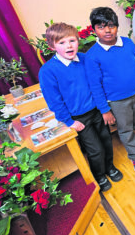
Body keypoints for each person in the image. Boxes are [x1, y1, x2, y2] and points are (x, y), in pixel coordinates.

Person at [39, 22, 120, 191]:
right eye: (61, 43)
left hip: (97, 111)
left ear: (78, 41)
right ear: (52, 46)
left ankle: (109, 167)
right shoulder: (48, 71)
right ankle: (99, 175)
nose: (68, 45)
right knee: (95, 149)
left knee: (106, 141)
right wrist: (68, 121)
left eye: (71, 41)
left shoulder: (84, 59)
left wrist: (105, 108)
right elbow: (54, 100)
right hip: (79, 118)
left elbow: (98, 83)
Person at [85, 7, 135, 174]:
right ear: (94, 29)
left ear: (117, 26)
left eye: (111, 25)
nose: (107, 30)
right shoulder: (92, 56)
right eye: (101, 27)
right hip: (117, 101)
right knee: (126, 129)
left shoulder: (127, 42)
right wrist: (105, 110)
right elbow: (95, 85)